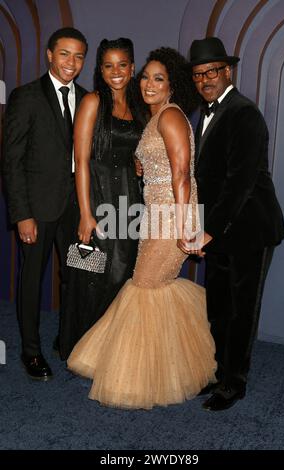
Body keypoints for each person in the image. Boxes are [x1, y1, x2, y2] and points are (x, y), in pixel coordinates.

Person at [67, 47, 217, 410]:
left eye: (158, 78)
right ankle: (170, 366)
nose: (149, 84)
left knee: (144, 288)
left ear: (173, 85)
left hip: (170, 219)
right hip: (152, 216)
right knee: (152, 290)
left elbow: (183, 174)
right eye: (146, 77)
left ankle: (142, 378)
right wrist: (142, 167)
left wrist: (185, 227)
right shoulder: (153, 117)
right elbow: (157, 162)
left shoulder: (170, 117)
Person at [187, 37, 284, 411]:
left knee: (241, 311)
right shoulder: (207, 113)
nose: (205, 79)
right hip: (220, 229)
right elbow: (209, 180)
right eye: (198, 74)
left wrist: (208, 230)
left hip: (251, 229)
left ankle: (234, 383)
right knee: (218, 307)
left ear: (226, 71)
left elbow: (240, 181)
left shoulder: (244, 113)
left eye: (211, 71)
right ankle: (217, 373)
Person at [2, 27, 88, 380]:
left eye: (79, 56)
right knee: (32, 280)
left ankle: (66, 342)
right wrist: (22, 215)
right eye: (65, 54)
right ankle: (31, 352)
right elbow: (12, 159)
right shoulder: (27, 96)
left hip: (76, 207)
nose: (72, 62)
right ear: (50, 55)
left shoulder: (87, 99)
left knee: (75, 276)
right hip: (37, 208)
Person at [59, 38, 145, 360]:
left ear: (132, 67)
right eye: (108, 66)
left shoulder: (139, 107)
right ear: (100, 70)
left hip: (129, 202)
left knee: (123, 274)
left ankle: (113, 354)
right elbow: (80, 161)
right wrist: (85, 213)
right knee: (93, 275)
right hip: (97, 198)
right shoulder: (93, 102)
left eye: (122, 64)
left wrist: (138, 167)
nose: (116, 72)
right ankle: (83, 352)